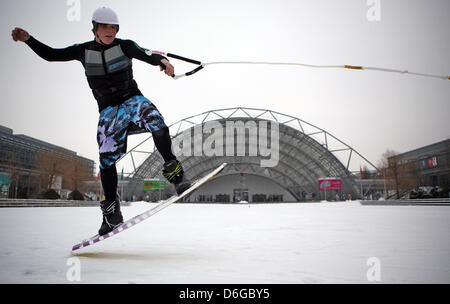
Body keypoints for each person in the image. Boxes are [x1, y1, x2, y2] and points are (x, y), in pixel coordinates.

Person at [11, 7, 191, 236]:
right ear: (95, 28)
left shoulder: (125, 45)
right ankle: (111, 213)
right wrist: (28, 40)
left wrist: (163, 61)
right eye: (105, 27)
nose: (110, 31)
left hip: (132, 100)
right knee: (106, 160)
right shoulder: (83, 51)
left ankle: (177, 177)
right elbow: (51, 54)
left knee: (158, 123)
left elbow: (149, 54)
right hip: (108, 111)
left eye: (113, 27)